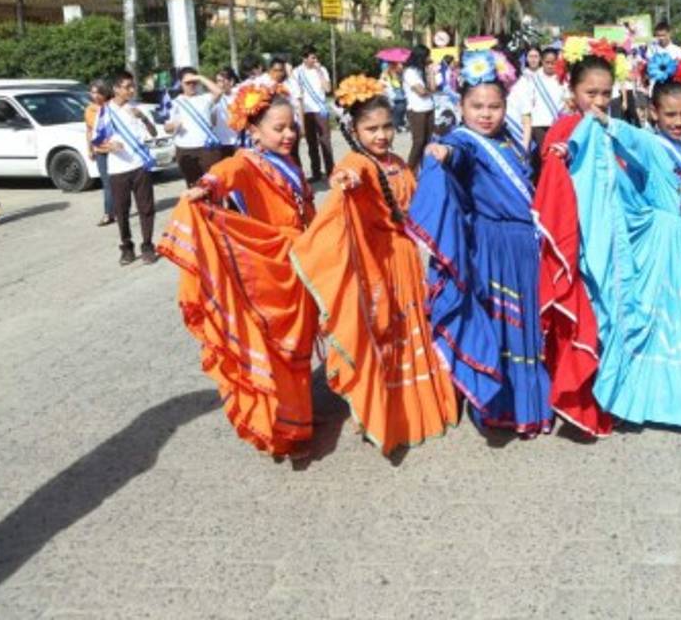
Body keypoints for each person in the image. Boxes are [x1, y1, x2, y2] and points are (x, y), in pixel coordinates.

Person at [290, 76, 459, 456]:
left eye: (386, 126)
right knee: (380, 328)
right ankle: (376, 406)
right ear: (354, 129)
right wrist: (344, 179)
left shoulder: (398, 162)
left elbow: (418, 201)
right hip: (376, 261)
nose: (381, 135)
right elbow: (351, 175)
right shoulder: (357, 162)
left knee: (409, 325)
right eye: (371, 128)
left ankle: (414, 403)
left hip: (405, 258)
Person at [157, 83, 317, 458]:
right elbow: (225, 171)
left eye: (291, 126)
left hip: (296, 262)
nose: (289, 134)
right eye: (279, 128)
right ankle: (278, 426)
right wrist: (207, 186)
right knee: (277, 349)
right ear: (254, 131)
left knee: (298, 349)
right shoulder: (248, 161)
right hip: (269, 264)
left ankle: (300, 417)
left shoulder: (290, 161)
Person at [569, 49, 681, 429]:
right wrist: (600, 115)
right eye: (669, 114)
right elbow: (622, 135)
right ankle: (639, 397)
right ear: (653, 112)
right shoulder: (650, 143)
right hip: (660, 244)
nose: (678, 121)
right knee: (653, 317)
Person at [408, 49, 552, 436]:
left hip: (524, 246)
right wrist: (440, 153)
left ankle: (532, 406)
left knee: (529, 326)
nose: (485, 114)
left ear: (506, 106)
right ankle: (499, 406)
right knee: (502, 325)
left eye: (494, 106)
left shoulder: (509, 140)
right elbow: (458, 154)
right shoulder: (462, 140)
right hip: (492, 246)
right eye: (477, 106)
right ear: (461, 105)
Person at [533, 47, 618, 437]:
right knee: (578, 315)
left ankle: (607, 393)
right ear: (572, 92)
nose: (599, 101)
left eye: (605, 93)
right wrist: (559, 155)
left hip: (610, 237)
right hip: (577, 239)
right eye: (591, 93)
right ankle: (574, 397)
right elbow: (552, 176)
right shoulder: (563, 129)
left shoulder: (613, 127)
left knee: (607, 315)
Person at [94, 70, 159, 266]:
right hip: (118, 169)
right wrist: (110, 146)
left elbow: (154, 133)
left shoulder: (137, 108)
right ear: (116, 89)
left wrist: (144, 118)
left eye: (133, 86)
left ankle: (147, 246)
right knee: (122, 211)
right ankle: (127, 247)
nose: (131, 90)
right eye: (127, 87)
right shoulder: (105, 112)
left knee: (146, 208)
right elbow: (96, 143)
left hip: (140, 165)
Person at [165, 67, 224, 187]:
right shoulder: (174, 103)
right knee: (194, 187)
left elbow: (218, 92)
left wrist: (199, 77)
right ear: (180, 83)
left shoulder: (205, 98)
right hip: (185, 149)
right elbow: (167, 128)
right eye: (187, 82)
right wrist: (173, 126)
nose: (191, 85)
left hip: (207, 148)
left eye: (194, 82)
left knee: (213, 185)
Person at [515, 46, 567, 181]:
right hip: (539, 123)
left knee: (556, 154)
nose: (550, 66)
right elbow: (527, 99)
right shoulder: (533, 78)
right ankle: (543, 180)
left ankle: (554, 179)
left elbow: (566, 99)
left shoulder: (562, 78)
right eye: (547, 62)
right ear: (542, 62)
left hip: (557, 122)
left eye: (553, 62)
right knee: (543, 154)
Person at [291, 46, 335, 182]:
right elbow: (296, 92)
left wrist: (319, 72)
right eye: (312, 57)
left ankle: (331, 172)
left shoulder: (322, 70)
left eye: (315, 57)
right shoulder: (297, 72)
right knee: (312, 144)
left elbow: (327, 89)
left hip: (320, 110)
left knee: (325, 142)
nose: (315, 60)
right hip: (306, 111)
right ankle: (316, 173)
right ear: (304, 58)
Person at [84, 79, 115, 227]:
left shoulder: (112, 107)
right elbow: (89, 130)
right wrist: (89, 148)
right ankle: (108, 213)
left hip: (115, 150)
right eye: (93, 92)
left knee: (121, 182)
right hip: (100, 151)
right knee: (107, 183)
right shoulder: (89, 109)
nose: (95, 96)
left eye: (99, 93)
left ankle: (121, 208)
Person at [403, 45, 435, 174]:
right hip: (417, 110)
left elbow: (433, 88)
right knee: (418, 142)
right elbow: (421, 92)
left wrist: (431, 73)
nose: (429, 59)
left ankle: (423, 170)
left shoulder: (421, 71)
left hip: (429, 107)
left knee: (427, 141)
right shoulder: (409, 72)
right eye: (427, 56)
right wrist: (429, 91)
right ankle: (409, 171)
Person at [212, 68, 239, 159]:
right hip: (221, 142)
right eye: (217, 81)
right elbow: (212, 121)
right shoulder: (213, 98)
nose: (219, 84)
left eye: (222, 81)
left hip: (238, 141)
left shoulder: (240, 96)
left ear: (231, 82)